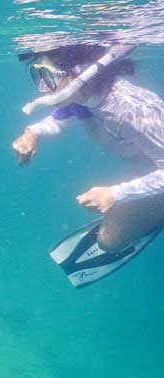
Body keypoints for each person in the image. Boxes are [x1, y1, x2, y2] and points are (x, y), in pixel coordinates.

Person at [12, 44, 164, 255]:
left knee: (109, 242)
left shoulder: (129, 111)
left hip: (158, 173)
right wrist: (32, 133)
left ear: (79, 75)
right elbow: (58, 121)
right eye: (37, 75)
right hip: (147, 169)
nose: (42, 88)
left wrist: (115, 194)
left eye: (47, 76)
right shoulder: (83, 97)